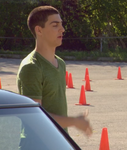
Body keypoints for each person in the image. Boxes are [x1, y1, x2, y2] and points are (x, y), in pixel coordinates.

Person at [17, 6, 92, 137]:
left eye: (61, 25)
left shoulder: (60, 63)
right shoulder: (32, 67)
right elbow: (34, 117)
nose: (62, 29)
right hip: (38, 144)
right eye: (55, 25)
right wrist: (74, 121)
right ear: (39, 30)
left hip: (58, 140)